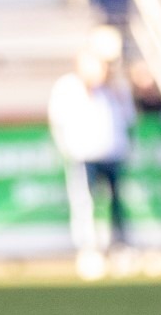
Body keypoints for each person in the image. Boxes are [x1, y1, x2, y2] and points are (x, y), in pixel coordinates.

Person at [49, 39, 136, 280]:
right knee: (84, 203)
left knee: (116, 202)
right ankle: (89, 250)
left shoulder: (116, 89)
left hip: (112, 152)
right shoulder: (68, 87)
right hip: (83, 155)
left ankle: (120, 248)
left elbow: (128, 119)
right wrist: (68, 149)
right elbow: (58, 121)